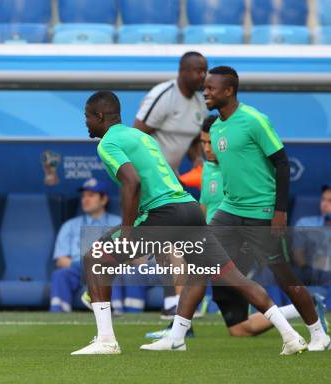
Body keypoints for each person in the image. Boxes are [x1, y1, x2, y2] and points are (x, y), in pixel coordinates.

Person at [72, 91, 307, 355]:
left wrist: (127, 232)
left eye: (87, 117)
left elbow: (132, 182)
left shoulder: (107, 144)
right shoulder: (139, 136)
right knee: (232, 277)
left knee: (94, 259)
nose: (85, 123)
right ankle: (291, 335)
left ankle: (106, 340)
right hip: (189, 209)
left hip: (164, 214)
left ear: (99, 116)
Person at [145, 115, 327, 339]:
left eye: (212, 142)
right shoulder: (208, 170)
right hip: (216, 239)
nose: (208, 148)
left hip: (237, 244)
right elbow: (204, 209)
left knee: (187, 258)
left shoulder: (239, 171)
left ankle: (178, 330)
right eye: (203, 143)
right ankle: (306, 306)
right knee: (240, 329)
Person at [203, 66, 330, 352]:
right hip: (230, 209)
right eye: (205, 88)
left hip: (261, 212)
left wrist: (280, 211)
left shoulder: (254, 120)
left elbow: (282, 164)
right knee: (203, 252)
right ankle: (177, 335)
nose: (206, 93)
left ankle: (318, 334)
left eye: (211, 88)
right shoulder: (216, 127)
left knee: (283, 275)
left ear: (229, 90)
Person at [133, 51, 208, 317]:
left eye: (204, 70)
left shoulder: (200, 103)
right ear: (181, 70)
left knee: (169, 240)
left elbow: (191, 142)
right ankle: (175, 304)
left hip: (171, 179)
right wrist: (148, 173)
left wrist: (198, 159)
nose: (201, 76)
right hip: (148, 178)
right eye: (196, 70)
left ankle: (175, 304)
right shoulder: (163, 95)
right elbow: (136, 134)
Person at [50, 178, 122, 313]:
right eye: (83, 196)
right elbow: (61, 260)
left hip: (108, 268)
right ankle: (58, 316)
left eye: (91, 195)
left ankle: (115, 312)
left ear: (104, 199)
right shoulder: (70, 225)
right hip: (78, 269)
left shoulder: (118, 223)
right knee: (60, 275)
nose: (85, 200)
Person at [293, 185, 331, 287]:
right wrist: (307, 270)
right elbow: (297, 252)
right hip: (312, 275)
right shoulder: (305, 223)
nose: (324, 204)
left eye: (330, 201)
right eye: (323, 199)